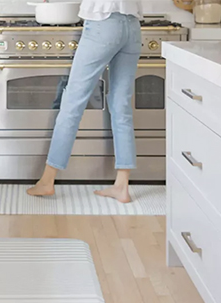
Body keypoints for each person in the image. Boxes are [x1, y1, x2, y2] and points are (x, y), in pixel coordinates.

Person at [27, 0, 142, 204]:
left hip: (103, 24)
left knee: (73, 101)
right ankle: (122, 186)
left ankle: (47, 181)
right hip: (132, 26)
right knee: (121, 105)